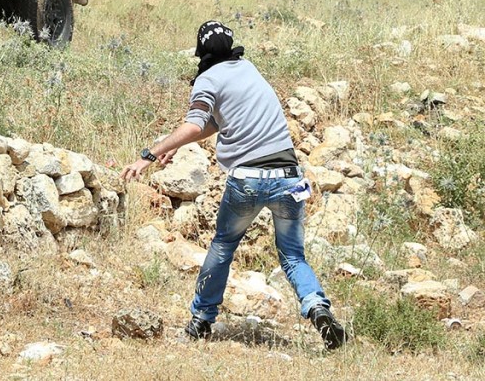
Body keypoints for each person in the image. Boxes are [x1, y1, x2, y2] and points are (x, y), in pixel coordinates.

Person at [121, 20, 347, 350]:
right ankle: (317, 308)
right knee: (294, 255)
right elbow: (214, 123)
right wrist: (173, 146)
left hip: (248, 180)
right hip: (288, 176)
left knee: (223, 246)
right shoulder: (247, 67)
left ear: (200, 53)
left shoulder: (206, 81)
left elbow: (196, 122)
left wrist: (150, 154)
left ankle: (201, 320)